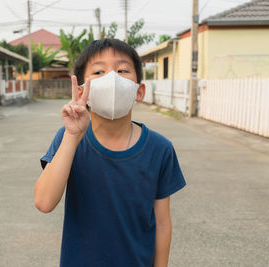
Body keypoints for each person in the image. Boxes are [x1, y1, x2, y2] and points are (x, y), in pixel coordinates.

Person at [34, 38, 186, 267]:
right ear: (81, 91)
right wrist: (72, 136)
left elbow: (163, 222)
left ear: (139, 90)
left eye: (122, 70)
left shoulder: (160, 149)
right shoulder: (68, 139)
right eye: (99, 71)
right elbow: (44, 202)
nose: (112, 78)